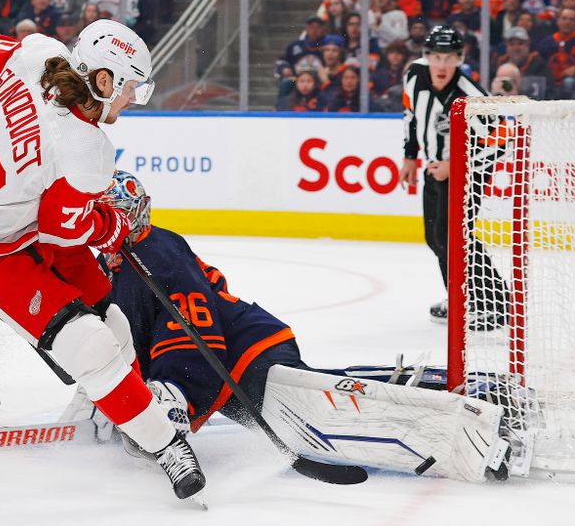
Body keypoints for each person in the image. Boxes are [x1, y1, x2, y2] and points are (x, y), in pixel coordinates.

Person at [61, 170, 514, 484]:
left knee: (326, 417)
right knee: (324, 399)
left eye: (110, 217)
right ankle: (467, 388)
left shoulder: (154, 250)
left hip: (244, 353)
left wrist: (173, 392)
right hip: (227, 371)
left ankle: (472, 402)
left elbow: (194, 327)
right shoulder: (122, 266)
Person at [0, 21, 206, 503]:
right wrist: (113, 225)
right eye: (130, 89)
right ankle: (164, 443)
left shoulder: (35, 54)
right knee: (91, 344)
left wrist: (3, 113)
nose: (131, 101)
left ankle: (121, 406)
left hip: (15, 219)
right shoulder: (88, 149)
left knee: (113, 323)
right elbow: (63, 229)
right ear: (103, 79)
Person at [399, 25, 508, 329]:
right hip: (436, 169)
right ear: (426, 56)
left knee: (454, 238)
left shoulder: (471, 95)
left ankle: (495, 303)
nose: (442, 65)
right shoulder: (414, 76)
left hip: (468, 174)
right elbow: (411, 115)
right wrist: (410, 155)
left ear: (460, 58)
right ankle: (461, 297)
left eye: (449, 58)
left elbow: (501, 140)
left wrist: (454, 165)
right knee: (435, 238)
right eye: (436, 57)